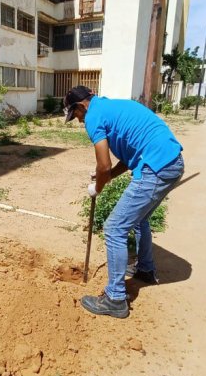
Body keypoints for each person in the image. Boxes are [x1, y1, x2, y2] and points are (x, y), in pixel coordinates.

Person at [64, 85, 184, 318]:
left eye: (75, 115)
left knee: (114, 228)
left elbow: (104, 164)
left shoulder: (93, 117)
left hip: (156, 167)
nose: (78, 121)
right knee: (140, 219)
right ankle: (146, 270)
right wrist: (105, 178)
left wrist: (97, 187)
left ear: (81, 106)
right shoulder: (110, 107)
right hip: (171, 161)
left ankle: (115, 298)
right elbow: (125, 162)